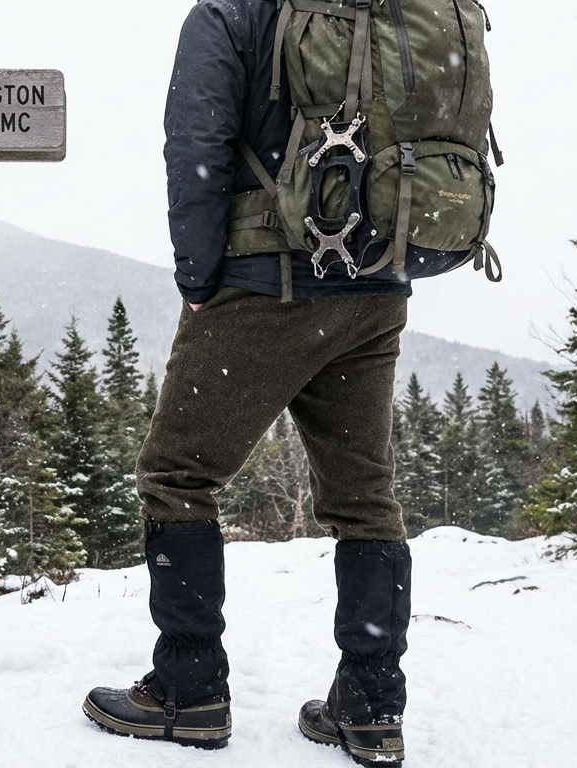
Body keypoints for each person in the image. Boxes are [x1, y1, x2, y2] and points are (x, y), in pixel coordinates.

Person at [81, 0, 413, 765]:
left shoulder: (231, 15)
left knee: (176, 474)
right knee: (365, 498)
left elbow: (195, 144)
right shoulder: (389, 13)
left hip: (267, 280)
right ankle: (370, 707)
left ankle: (188, 690)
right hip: (377, 285)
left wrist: (199, 275)